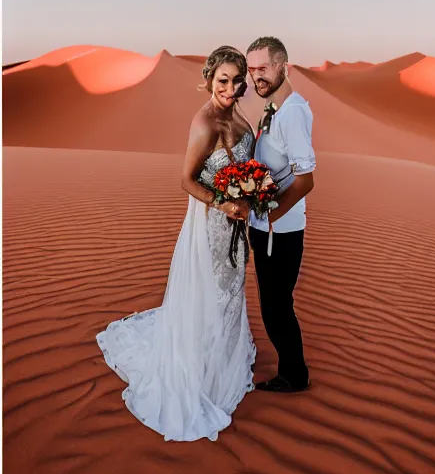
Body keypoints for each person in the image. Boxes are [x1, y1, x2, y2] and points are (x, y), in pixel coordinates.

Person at [96, 46, 257, 442]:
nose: (232, 89)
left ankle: (224, 357)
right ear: (209, 78)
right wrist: (226, 203)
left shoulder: (236, 115)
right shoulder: (204, 122)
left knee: (232, 291)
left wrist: (252, 194)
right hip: (212, 226)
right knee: (211, 293)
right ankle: (202, 369)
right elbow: (187, 180)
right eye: (224, 80)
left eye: (239, 81)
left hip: (236, 224)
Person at [246, 36, 316, 393]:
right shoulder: (275, 108)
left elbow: (306, 180)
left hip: (282, 230)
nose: (256, 76)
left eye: (264, 68)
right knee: (272, 304)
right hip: (267, 226)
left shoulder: (292, 113)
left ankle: (294, 375)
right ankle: (293, 369)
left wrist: (271, 217)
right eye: (252, 68)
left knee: (276, 308)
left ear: (282, 67)